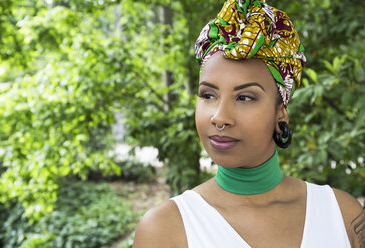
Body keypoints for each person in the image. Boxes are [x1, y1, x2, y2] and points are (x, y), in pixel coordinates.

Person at [133, 0, 365, 247]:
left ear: (280, 112)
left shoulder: (342, 214)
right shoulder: (164, 229)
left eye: (245, 97)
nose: (219, 117)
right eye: (208, 95)